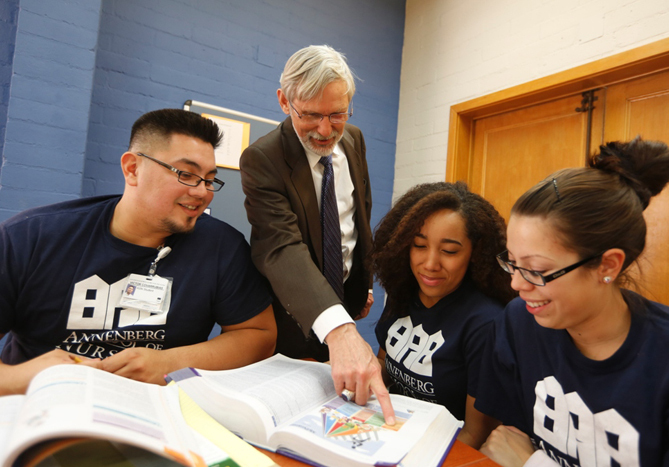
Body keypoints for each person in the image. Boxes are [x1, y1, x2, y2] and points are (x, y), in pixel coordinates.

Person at [0, 108, 276, 395]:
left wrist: (170, 363)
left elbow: (258, 335)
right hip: (42, 408)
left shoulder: (221, 247)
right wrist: (31, 377)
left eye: (208, 179)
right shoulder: (31, 237)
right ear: (132, 169)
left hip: (157, 414)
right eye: (186, 174)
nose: (202, 192)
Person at [474, 137, 669, 466]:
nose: (516, 283)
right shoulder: (519, 323)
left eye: (536, 269)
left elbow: (518, 456)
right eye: (512, 262)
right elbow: (503, 442)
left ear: (607, 266)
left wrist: (533, 464)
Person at [239, 45, 394, 422]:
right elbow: (281, 248)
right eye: (310, 115)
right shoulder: (263, 159)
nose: (326, 131)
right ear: (283, 101)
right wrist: (339, 330)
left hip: (347, 302)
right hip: (292, 319)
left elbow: (357, 218)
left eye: (337, 114)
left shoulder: (353, 140)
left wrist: (361, 284)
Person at [371, 181, 514, 447]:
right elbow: (385, 367)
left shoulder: (486, 323)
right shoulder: (404, 292)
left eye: (449, 251)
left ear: (475, 253)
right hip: (386, 431)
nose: (430, 264)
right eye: (419, 245)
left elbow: (475, 436)